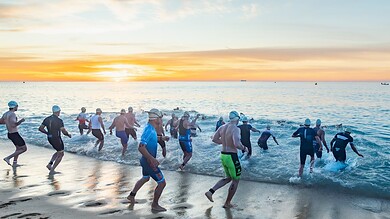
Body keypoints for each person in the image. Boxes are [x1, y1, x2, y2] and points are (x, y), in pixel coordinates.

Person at [127, 109, 169, 212]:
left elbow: (153, 138)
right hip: (148, 162)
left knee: (145, 178)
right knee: (162, 183)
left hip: (145, 160)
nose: (161, 120)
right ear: (156, 119)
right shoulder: (149, 130)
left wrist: (162, 138)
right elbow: (141, 147)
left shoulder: (151, 128)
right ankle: (154, 205)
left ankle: (131, 195)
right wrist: (152, 159)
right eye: (160, 118)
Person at [205, 111, 248, 208]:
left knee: (228, 178)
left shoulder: (222, 127)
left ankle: (210, 192)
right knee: (236, 180)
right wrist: (245, 148)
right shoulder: (236, 129)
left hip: (223, 155)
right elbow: (237, 144)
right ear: (237, 119)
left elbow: (214, 139)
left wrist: (224, 142)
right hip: (231, 156)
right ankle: (227, 203)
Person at [39, 105, 72, 174]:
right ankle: (52, 170)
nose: (60, 112)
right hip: (56, 138)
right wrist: (68, 134)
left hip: (50, 138)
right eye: (59, 111)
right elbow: (63, 131)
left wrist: (47, 133)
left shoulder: (47, 119)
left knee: (58, 151)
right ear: (58, 111)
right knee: (61, 153)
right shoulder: (59, 121)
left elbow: (40, 128)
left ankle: (50, 164)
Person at [1, 101, 27, 167]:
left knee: (18, 149)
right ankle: (8, 158)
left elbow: (0, 122)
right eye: (17, 106)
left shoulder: (5, 114)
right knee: (24, 149)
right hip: (14, 134)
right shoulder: (12, 114)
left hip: (10, 134)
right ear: (14, 106)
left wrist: (7, 122)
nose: (17, 107)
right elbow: (14, 125)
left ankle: (15, 163)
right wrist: (21, 121)